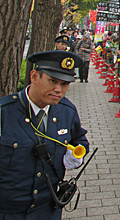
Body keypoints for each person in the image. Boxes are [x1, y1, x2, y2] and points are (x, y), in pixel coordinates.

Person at [0, 50, 89, 219]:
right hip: (9, 211)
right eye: (52, 81)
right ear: (34, 76)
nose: (58, 90)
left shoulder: (66, 111)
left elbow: (80, 139)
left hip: (48, 209)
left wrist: (78, 153)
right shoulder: (4, 113)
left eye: (65, 84)